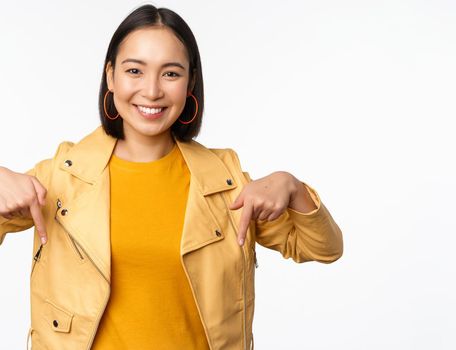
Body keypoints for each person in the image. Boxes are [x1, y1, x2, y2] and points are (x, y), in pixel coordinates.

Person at [0, 4, 343, 349]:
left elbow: (324, 249)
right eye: (134, 70)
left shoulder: (227, 183)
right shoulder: (60, 177)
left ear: (190, 81)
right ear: (110, 76)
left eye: (170, 74)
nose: (151, 91)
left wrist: (292, 185)